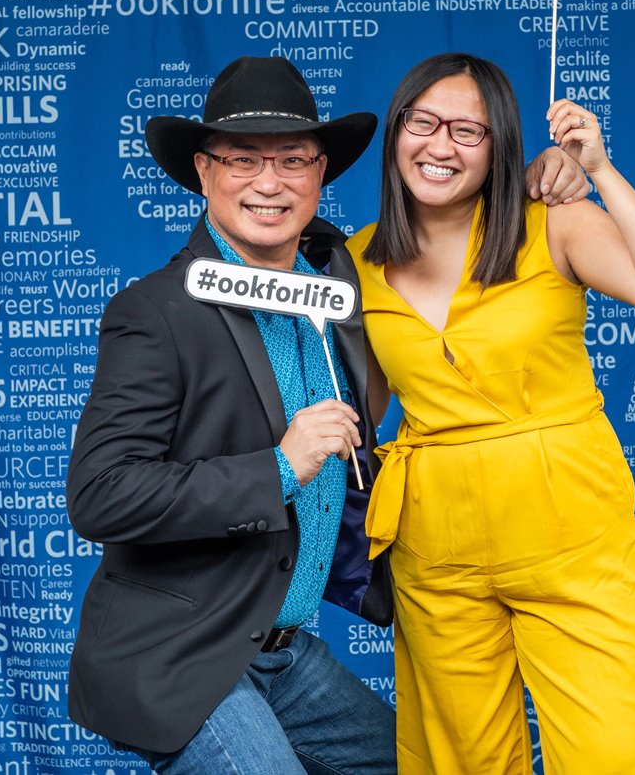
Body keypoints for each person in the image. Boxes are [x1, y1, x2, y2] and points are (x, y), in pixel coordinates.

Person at [65, 56, 589, 774]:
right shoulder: (155, 312)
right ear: (204, 170)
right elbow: (100, 494)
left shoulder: (340, 274)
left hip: (280, 650)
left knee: (416, 764)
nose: (270, 182)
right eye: (243, 161)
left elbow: (449, 236)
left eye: (292, 160)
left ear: (320, 175)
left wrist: (542, 182)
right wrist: (281, 465)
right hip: (180, 652)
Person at [347, 52, 635, 774]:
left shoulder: (555, 227)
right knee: (464, 761)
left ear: (499, 148)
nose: (439, 144)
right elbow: (362, 407)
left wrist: (597, 171)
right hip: (435, 550)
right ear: (396, 134)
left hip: (570, 537)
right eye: (423, 121)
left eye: (467, 130)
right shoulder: (353, 262)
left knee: (606, 755)